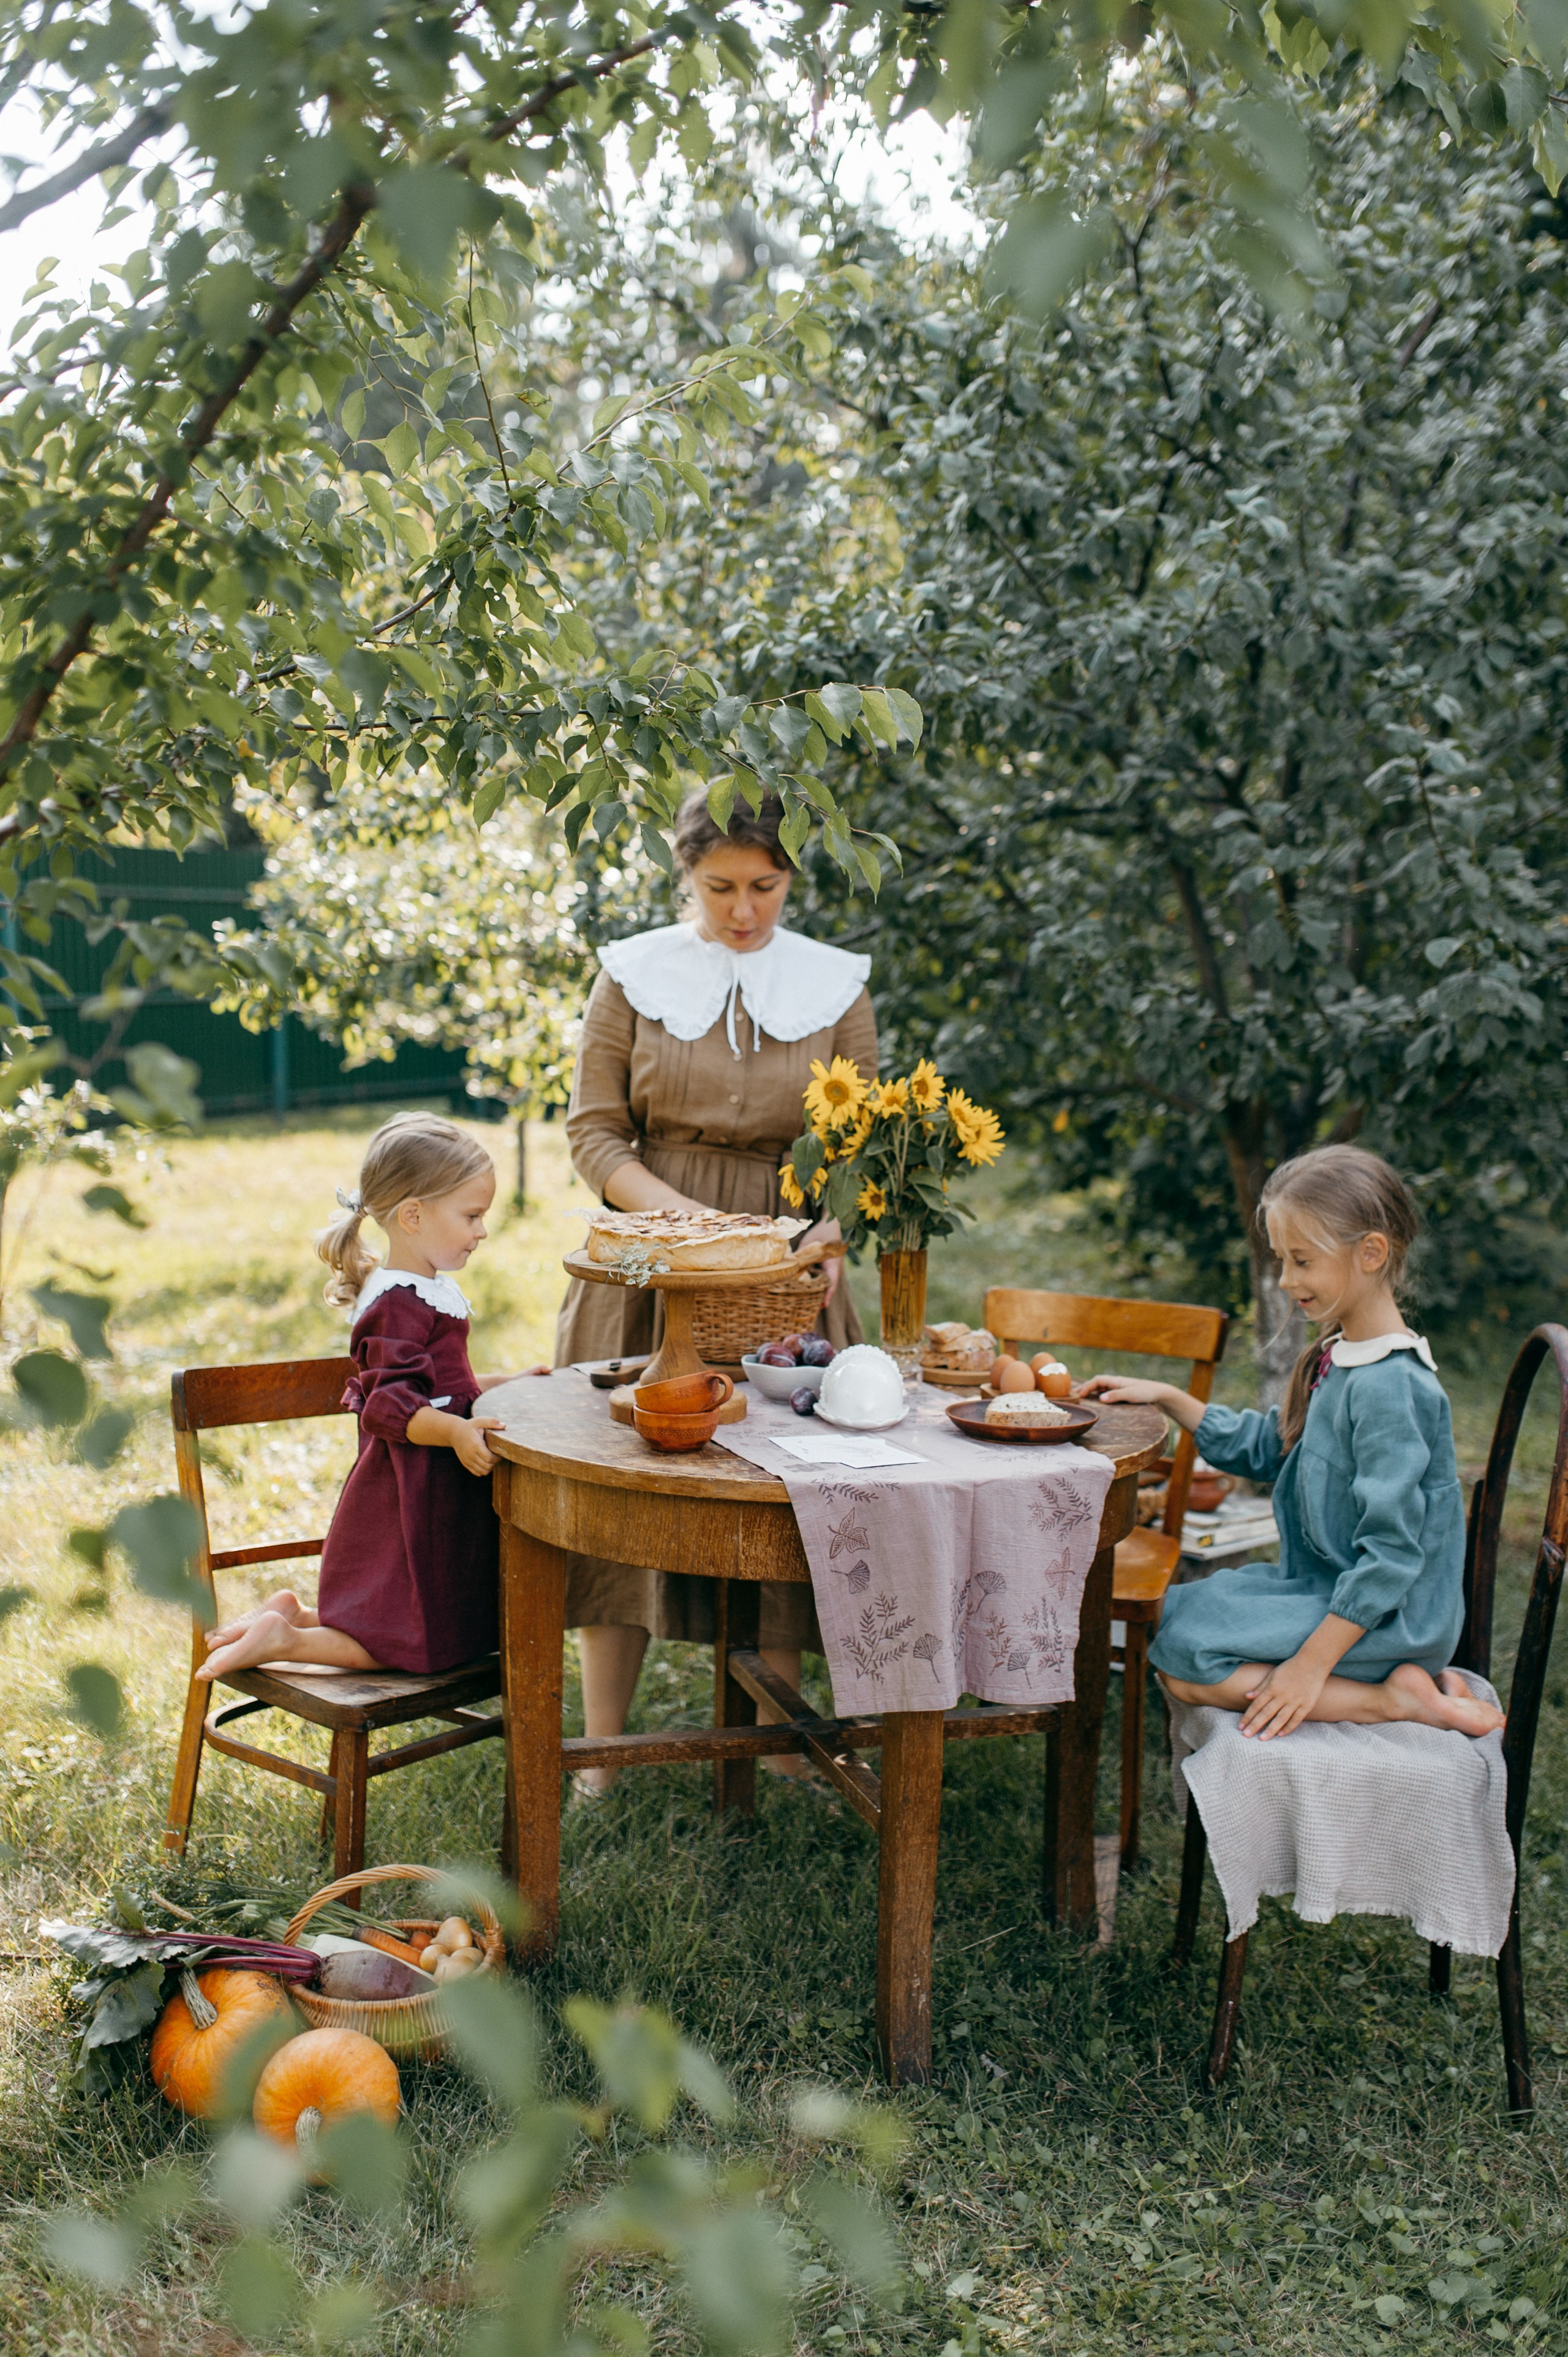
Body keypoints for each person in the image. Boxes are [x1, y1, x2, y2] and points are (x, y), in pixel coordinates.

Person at [557, 787, 878, 1788]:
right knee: (618, 1490)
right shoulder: (631, 976)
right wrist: (686, 1226)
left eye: (766, 886)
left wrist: (820, 1228)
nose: (745, 909)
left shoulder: (835, 985)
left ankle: (780, 1736)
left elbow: (863, 1145)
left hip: (784, 1265)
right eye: (721, 886)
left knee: (786, 1489)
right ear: (685, 875)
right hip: (653, 1252)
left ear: (792, 876)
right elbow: (594, 1131)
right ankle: (605, 1745)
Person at [1083, 1144, 1502, 1741]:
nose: (1285, 1281)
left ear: (1371, 1253)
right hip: (1327, 1586)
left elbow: (1392, 1555)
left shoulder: (1391, 1388)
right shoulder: (1340, 1356)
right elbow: (1277, 1448)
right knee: (1181, 1614)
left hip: (1390, 1615)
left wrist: (1309, 1667)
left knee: (1189, 1666)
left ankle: (1388, 1701)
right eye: (1282, 1260)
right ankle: (1384, 1690)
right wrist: (1172, 1397)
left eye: (1301, 1261)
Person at [198, 1111, 549, 1683]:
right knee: (396, 1644)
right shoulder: (397, 1302)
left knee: (402, 1619)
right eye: (472, 1215)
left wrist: (504, 1383)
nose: (482, 1229)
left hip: (431, 1488)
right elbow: (392, 1405)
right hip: (408, 1496)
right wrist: (459, 1431)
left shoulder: (426, 1289)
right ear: (413, 1215)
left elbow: (441, 1386)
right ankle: (284, 1638)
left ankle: (296, 1614)